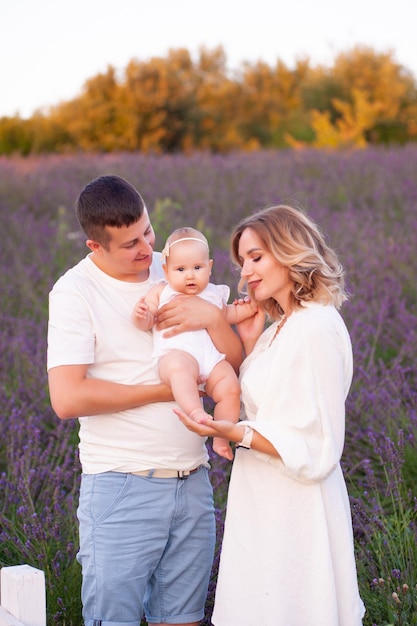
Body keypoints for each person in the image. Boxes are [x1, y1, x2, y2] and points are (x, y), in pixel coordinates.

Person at [47, 174, 245, 626]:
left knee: (184, 619)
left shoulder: (177, 267)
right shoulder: (75, 292)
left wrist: (215, 318)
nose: (147, 250)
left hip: (192, 479)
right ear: (95, 247)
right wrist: (163, 390)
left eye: (149, 231)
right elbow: (67, 396)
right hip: (121, 485)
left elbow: (230, 361)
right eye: (130, 243)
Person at [176, 204, 366, 625]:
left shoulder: (315, 326)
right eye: (243, 262)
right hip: (263, 500)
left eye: (256, 257)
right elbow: (275, 402)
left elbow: (319, 443)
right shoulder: (282, 327)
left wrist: (236, 432)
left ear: (289, 251)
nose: (245, 272)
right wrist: (247, 344)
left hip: (297, 508)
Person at [133, 226, 256, 461]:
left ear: (209, 268)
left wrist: (250, 307)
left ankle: (221, 437)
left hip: (210, 357)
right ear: (166, 271)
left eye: (197, 268)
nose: (190, 275)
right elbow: (147, 320)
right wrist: (142, 316)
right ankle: (195, 411)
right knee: (180, 371)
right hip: (176, 353)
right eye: (180, 269)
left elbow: (227, 316)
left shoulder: (214, 294)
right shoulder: (161, 291)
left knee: (230, 388)